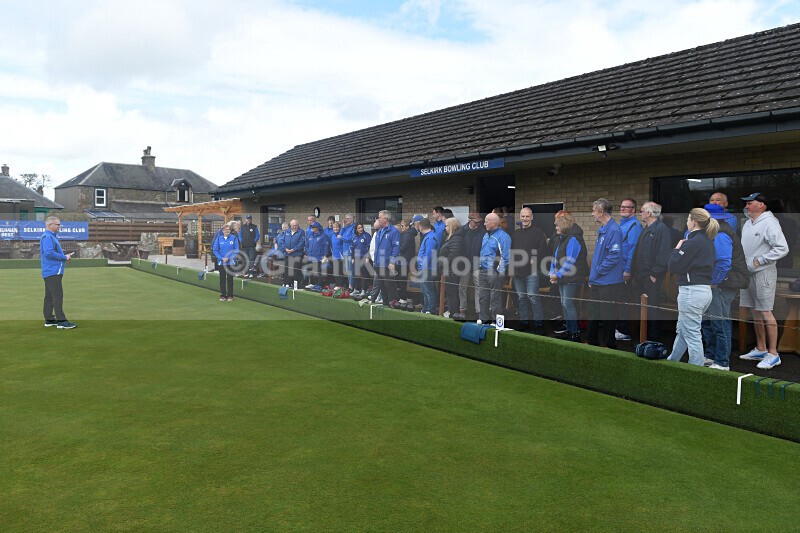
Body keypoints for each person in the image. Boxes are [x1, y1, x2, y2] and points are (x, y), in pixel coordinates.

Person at [738, 192, 789, 370]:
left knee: (766, 312)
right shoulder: (747, 224)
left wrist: (760, 260)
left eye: (750, 203)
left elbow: (782, 248)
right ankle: (761, 348)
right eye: (745, 203)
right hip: (747, 273)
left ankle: (773, 354)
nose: (746, 206)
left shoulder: (770, 222)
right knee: (755, 311)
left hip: (763, 273)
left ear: (762, 205)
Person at [666, 208, 718, 366]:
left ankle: (697, 370)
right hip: (702, 291)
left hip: (692, 292)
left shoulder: (694, 242)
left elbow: (673, 266)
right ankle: (672, 361)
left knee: (692, 334)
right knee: (684, 330)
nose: (687, 222)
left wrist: (676, 249)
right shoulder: (707, 240)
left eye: (688, 219)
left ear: (694, 221)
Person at [702, 203, 750, 371]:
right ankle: (710, 355)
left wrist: (714, 282)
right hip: (720, 283)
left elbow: (723, 263)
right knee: (709, 321)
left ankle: (722, 362)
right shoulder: (718, 230)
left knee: (719, 323)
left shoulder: (721, 233)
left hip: (722, 283)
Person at [630, 202, 672, 342]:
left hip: (650, 278)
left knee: (652, 309)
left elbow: (663, 254)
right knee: (641, 309)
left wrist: (654, 274)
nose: (640, 213)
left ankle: (652, 339)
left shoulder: (661, 229)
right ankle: (642, 338)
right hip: (639, 277)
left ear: (648, 213)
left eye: (642, 211)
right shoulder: (646, 228)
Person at [587, 198, 624, 349]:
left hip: (608, 281)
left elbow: (614, 256)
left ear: (601, 212)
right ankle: (592, 341)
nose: (592, 214)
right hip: (597, 280)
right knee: (594, 312)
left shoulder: (614, 230)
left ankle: (610, 344)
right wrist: (593, 276)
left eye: (594, 211)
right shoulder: (603, 229)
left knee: (607, 314)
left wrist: (599, 271)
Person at [549, 212, 588, 341]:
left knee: (568, 303)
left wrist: (557, 275)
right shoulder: (562, 237)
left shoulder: (574, 238)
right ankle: (569, 329)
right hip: (562, 277)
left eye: (557, 225)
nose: (556, 228)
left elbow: (570, 260)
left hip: (572, 277)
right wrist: (552, 273)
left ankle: (574, 332)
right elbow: (555, 257)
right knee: (564, 303)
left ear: (564, 225)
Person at [510, 207, 548, 333]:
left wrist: (534, 259)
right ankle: (524, 322)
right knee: (521, 298)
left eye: (527, 216)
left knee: (533, 297)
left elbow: (543, 249)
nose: (525, 219)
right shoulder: (516, 233)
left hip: (531, 271)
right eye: (523, 216)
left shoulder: (538, 232)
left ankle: (539, 324)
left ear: (532, 217)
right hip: (517, 271)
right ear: (520, 217)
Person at [40, 216, 76, 328]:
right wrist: (64, 257)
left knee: (50, 296)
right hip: (52, 271)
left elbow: (51, 252)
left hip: (52, 271)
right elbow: (48, 253)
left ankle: (49, 320)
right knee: (57, 296)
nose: (59, 226)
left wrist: (64, 256)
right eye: (58, 224)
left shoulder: (51, 236)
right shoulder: (48, 237)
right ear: (50, 225)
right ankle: (61, 321)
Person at [616, 198, 643, 341]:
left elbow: (633, 250)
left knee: (624, 300)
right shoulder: (623, 224)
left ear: (633, 210)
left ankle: (624, 331)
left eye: (627, 207)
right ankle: (620, 328)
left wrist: (628, 270)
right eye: (622, 207)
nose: (624, 209)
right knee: (620, 300)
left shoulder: (634, 226)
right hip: (617, 269)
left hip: (626, 272)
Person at [477, 212, 511, 324]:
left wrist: (499, 272)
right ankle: (483, 319)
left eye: (487, 221)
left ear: (494, 223)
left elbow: (505, 257)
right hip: (483, 270)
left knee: (495, 298)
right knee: (483, 297)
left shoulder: (504, 237)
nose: (484, 223)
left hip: (494, 272)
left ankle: (496, 321)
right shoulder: (486, 235)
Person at [372, 210, 402, 307]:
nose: (378, 219)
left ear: (385, 219)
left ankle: (393, 305)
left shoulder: (394, 231)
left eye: (379, 217)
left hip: (387, 265)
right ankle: (385, 304)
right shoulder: (379, 231)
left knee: (390, 286)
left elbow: (396, 247)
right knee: (382, 286)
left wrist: (392, 262)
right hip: (378, 264)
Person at [460, 212, 486, 319]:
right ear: (470, 220)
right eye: (476, 222)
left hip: (477, 263)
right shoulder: (462, 231)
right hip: (464, 263)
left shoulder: (483, 232)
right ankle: (462, 309)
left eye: (479, 222)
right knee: (462, 287)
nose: (478, 224)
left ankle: (479, 311)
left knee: (479, 287)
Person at [439, 217, 465, 319]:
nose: (444, 228)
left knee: (452, 292)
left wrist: (443, 263)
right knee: (450, 292)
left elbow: (454, 254)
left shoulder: (456, 238)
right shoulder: (452, 237)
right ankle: (452, 311)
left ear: (451, 226)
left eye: (446, 226)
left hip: (453, 269)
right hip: (450, 268)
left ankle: (453, 313)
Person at [417, 218, 439, 314]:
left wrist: (423, 268)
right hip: (426, 268)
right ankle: (426, 308)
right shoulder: (429, 236)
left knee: (429, 291)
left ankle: (430, 310)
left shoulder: (430, 238)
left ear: (421, 227)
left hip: (427, 269)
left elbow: (428, 255)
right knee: (425, 290)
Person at [213, 223, 239, 301]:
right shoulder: (218, 239)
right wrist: (221, 258)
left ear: (230, 230)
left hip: (230, 262)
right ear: (222, 231)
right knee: (222, 278)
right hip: (221, 262)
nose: (227, 231)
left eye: (228, 230)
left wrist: (229, 258)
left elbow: (236, 250)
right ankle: (223, 295)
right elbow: (215, 250)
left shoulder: (234, 238)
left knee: (230, 279)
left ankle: (230, 296)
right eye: (225, 230)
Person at [302, 222, 330, 289]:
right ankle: (312, 283)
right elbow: (307, 245)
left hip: (318, 257)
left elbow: (326, 246)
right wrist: (306, 253)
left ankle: (319, 285)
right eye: (312, 227)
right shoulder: (310, 235)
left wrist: (325, 256)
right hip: (310, 256)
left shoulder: (323, 235)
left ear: (318, 228)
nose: (312, 228)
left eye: (314, 227)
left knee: (318, 272)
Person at [398, 218, 418, 303]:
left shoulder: (407, 235)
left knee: (403, 280)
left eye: (402, 226)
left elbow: (402, 248)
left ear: (407, 226)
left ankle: (404, 298)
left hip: (405, 260)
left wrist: (397, 246)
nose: (401, 227)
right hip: (407, 260)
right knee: (405, 280)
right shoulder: (408, 234)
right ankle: (407, 297)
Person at [282, 219, 305, 288]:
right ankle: (287, 283)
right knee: (287, 269)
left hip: (296, 255)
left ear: (298, 225)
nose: (294, 227)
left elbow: (302, 243)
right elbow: (282, 241)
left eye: (296, 225)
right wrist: (285, 249)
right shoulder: (287, 231)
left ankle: (295, 285)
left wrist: (293, 249)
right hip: (287, 254)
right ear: (290, 226)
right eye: (292, 226)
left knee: (295, 271)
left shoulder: (301, 232)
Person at [350, 223, 372, 295]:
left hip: (364, 257)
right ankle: (357, 289)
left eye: (361, 227)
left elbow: (369, 247)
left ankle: (364, 290)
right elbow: (352, 248)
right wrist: (352, 258)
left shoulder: (367, 236)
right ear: (356, 229)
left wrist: (367, 257)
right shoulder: (354, 237)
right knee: (355, 273)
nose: (361, 229)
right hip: (356, 257)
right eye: (359, 228)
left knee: (364, 274)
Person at [340, 213, 356, 291]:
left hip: (350, 251)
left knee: (350, 270)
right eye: (345, 218)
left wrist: (342, 237)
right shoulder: (346, 227)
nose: (346, 220)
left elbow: (351, 238)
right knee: (347, 270)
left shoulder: (354, 227)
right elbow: (339, 235)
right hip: (345, 251)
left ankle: (351, 286)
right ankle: (350, 285)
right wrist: (343, 225)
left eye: (347, 218)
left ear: (352, 219)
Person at [328, 222, 346, 288]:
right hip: (334, 256)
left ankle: (341, 285)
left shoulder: (341, 235)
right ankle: (338, 284)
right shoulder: (332, 235)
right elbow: (331, 246)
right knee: (335, 272)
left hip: (341, 256)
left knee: (340, 272)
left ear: (339, 228)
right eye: (334, 227)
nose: (335, 229)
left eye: (337, 227)